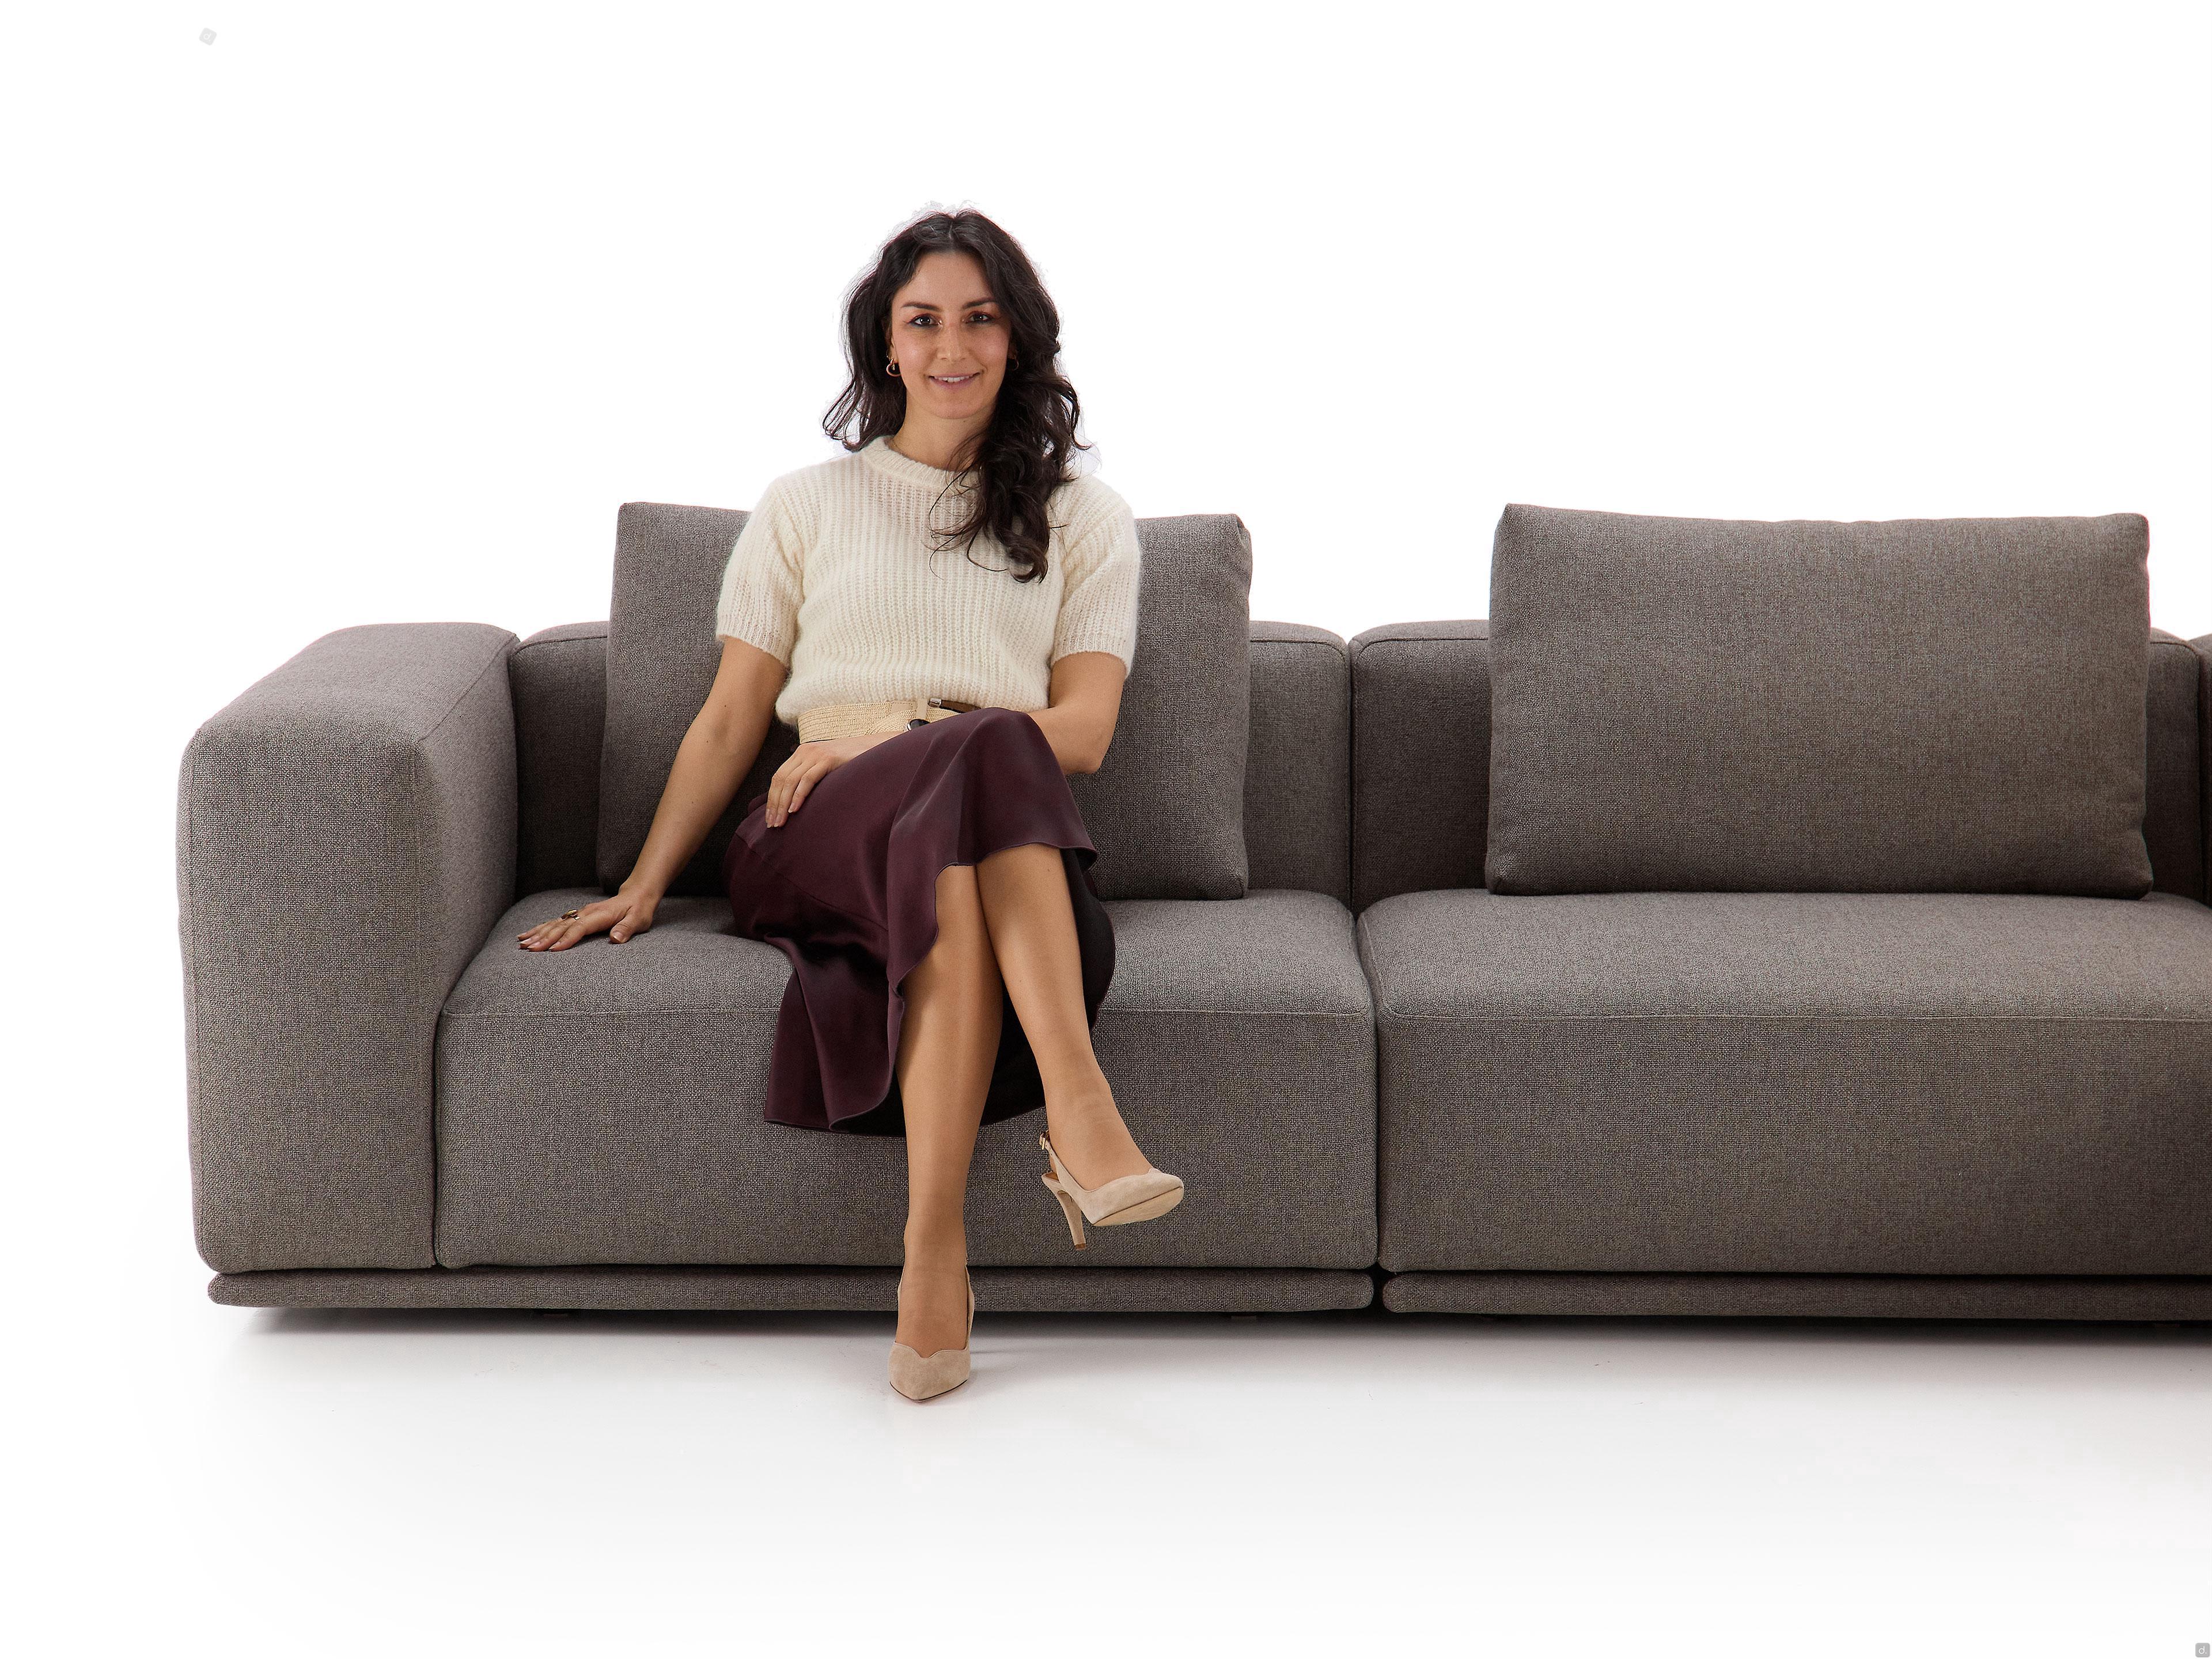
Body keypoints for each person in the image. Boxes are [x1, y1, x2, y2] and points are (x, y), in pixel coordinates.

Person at [512, 207, 1184, 1400]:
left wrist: (903, 738)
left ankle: (934, 1255)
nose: (952, 347)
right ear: (886, 343)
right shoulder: (805, 505)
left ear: (1018, 340)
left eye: (981, 319)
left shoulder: (1086, 519)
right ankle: (1082, 1118)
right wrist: (646, 884)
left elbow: (1083, 733)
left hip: (983, 829)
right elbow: (732, 720)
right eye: (923, 321)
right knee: (985, 753)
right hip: (811, 824)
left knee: (970, 818)